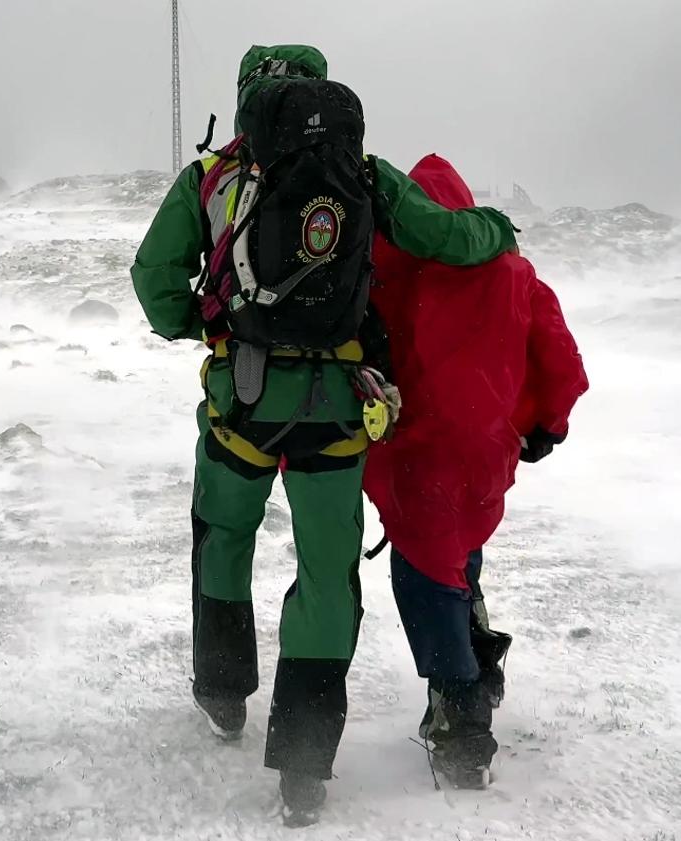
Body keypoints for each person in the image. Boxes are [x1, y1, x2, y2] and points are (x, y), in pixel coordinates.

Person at [131, 45, 518, 825]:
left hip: (240, 402)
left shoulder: (211, 175)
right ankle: (303, 768)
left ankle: (222, 692)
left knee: (224, 535)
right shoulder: (364, 173)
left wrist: (201, 326)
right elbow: (446, 237)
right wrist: (497, 228)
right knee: (324, 573)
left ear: (247, 100)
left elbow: (153, 278)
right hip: (337, 408)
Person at [364, 154, 589, 790]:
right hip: (487, 454)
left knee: (426, 575)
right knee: (460, 555)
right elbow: (559, 354)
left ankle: (461, 719)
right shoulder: (510, 269)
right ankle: (478, 661)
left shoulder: (386, 263)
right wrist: (550, 423)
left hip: (416, 453)